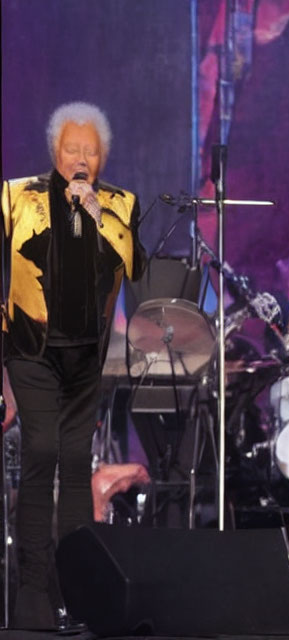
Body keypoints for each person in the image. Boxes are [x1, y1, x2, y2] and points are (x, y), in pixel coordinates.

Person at [1, 102, 147, 629]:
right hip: (29, 350)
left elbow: (135, 265)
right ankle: (33, 594)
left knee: (74, 460)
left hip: (86, 356)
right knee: (41, 451)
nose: (81, 158)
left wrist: (95, 215)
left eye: (90, 151)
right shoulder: (16, 197)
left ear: (101, 158)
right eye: (72, 149)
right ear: (54, 153)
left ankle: (76, 594)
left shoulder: (119, 204)